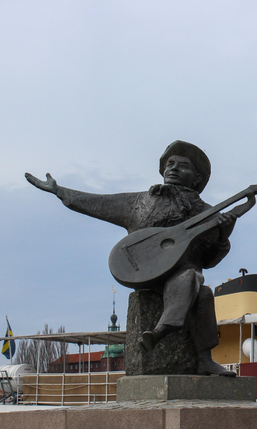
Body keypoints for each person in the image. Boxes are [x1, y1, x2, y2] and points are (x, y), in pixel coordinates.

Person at [25, 141, 237, 376]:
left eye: (183, 166)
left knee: (199, 288)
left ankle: (194, 354)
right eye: (170, 164)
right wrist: (59, 191)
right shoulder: (140, 203)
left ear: (197, 179)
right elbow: (97, 203)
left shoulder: (206, 213)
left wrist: (222, 238)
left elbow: (209, 260)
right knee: (193, 281)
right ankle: (170, 333)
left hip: (185, 277)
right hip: (145, 275)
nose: (173, 169)